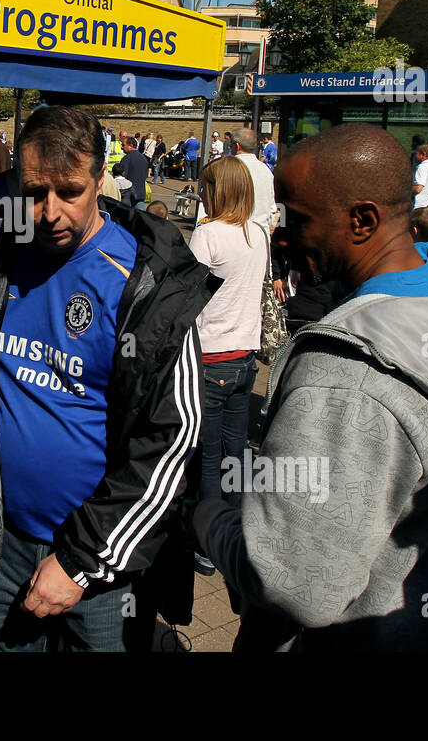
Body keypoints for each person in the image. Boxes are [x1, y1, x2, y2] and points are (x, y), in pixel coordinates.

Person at [192, 122, 428, 650]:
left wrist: (209, 518)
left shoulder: (347, 370)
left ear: (362, 220)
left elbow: (294, 582)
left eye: (299, 218)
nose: (284, 235)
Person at [0, 104, 209, 652]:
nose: (47, 211)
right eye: (34, 190)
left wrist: (79, 562)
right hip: (1, 539)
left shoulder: (146, 285)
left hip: (95, 567)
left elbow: (172, 443)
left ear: (100, 182)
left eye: (68, 191)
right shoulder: (5, 256)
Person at [185, 157, 265, 574]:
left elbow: (187, 295)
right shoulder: (259, 233)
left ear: (217, 190)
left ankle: (209, 544)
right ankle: (238, 533)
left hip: (211, 356)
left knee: (209, 457)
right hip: (245, 357)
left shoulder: (208, 234)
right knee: (236, 453)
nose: (200, 192)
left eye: (205, 186)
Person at [115, 136, 149, 209]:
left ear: (131, 146)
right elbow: (145, 175)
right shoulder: (143, 158)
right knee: (138, 218)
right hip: (141, 194)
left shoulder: (126, 159)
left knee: (127, 218)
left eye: (123, 145)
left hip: (128, 196)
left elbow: (122, 177)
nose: (122, 147)